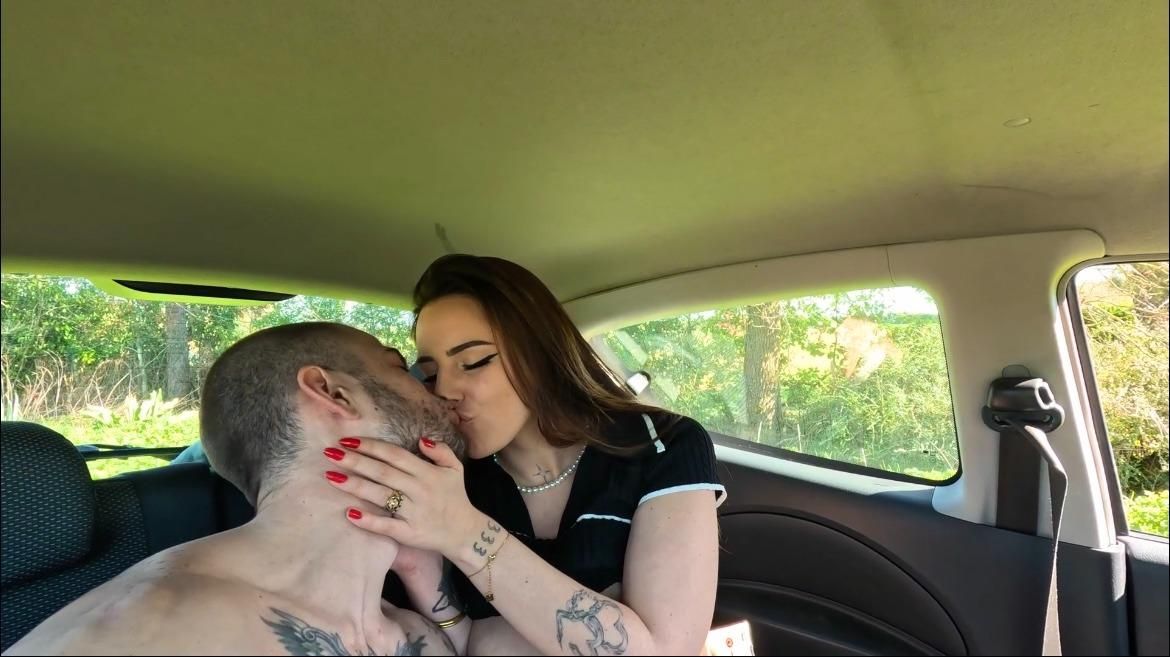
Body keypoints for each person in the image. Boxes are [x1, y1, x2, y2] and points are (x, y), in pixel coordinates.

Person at [324, 255, 725, 656]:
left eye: (473, 362)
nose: (445, 390)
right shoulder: (443, 476)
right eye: (430, 373)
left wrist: (462, 531)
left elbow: (668, 651)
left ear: (539, 353)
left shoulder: (662, 444)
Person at [4, 322, 467, 656]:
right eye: (399, 367)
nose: (440, 390)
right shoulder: (144, 629)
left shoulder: (415, 629)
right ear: (333, 394)